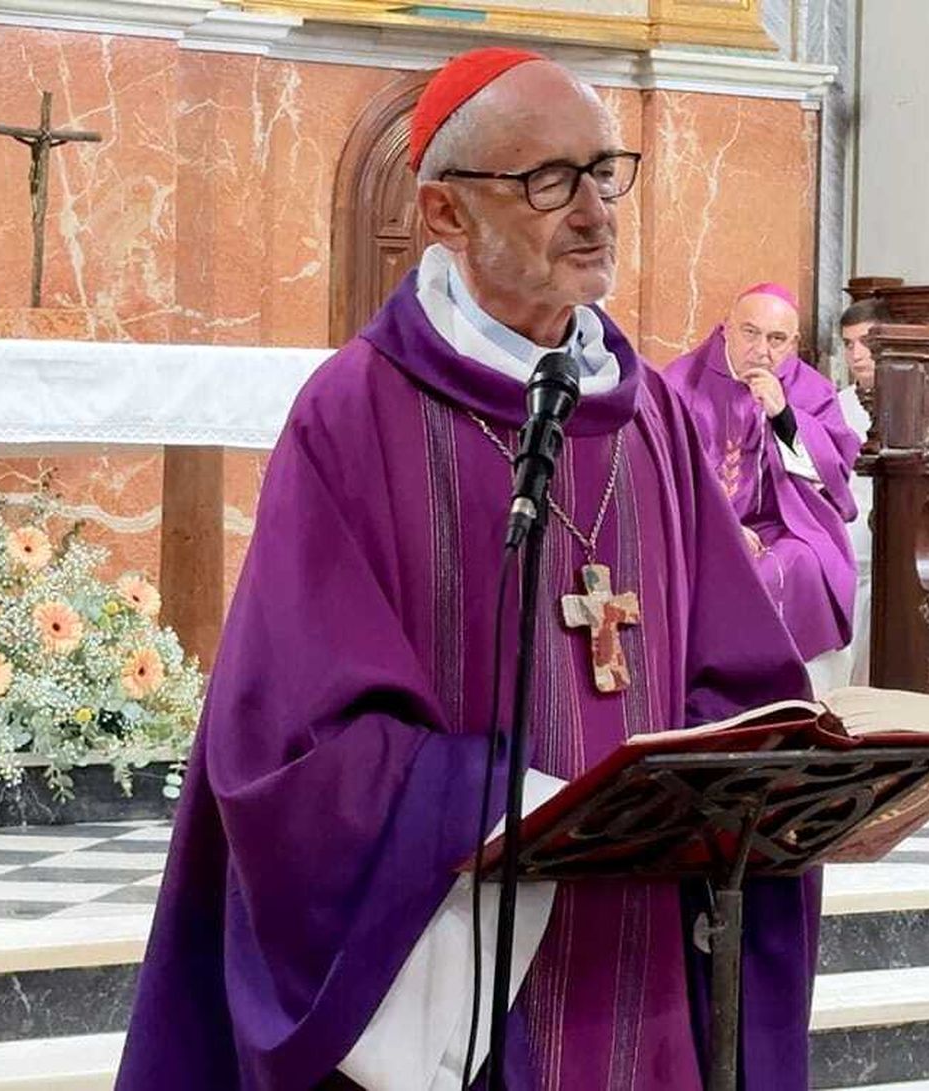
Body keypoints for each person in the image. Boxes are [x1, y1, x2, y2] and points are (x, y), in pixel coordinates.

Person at [118, 48, 820, 1091]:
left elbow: (738, 672)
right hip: (464, 970)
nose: (593, 211)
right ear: (444, 215)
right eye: (548, 180)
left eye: (603, 170)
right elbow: (293, 743)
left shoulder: (654, 418)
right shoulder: (355, 415)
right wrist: (495, 803)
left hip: (646, 968)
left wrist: (752, 771)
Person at [664, 285, 861, 691]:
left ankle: (779, 693)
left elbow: (833, 476)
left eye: (776, 340)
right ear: (726, 330)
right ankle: (706, 693)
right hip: (695, 527)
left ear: (793, 343)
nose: (762, 350)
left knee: (798, 565)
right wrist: (722, 527)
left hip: (781, 525)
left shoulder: (810, 389)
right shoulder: (680, 382)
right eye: (750, 333)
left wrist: (783, 414)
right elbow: (661, 469)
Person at [831, 297, 889, 686]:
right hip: (847, 536)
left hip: (892, 534)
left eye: (866, 342)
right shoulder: (836, 404)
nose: (857, 354)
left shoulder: (914, 397)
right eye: (849, 344)